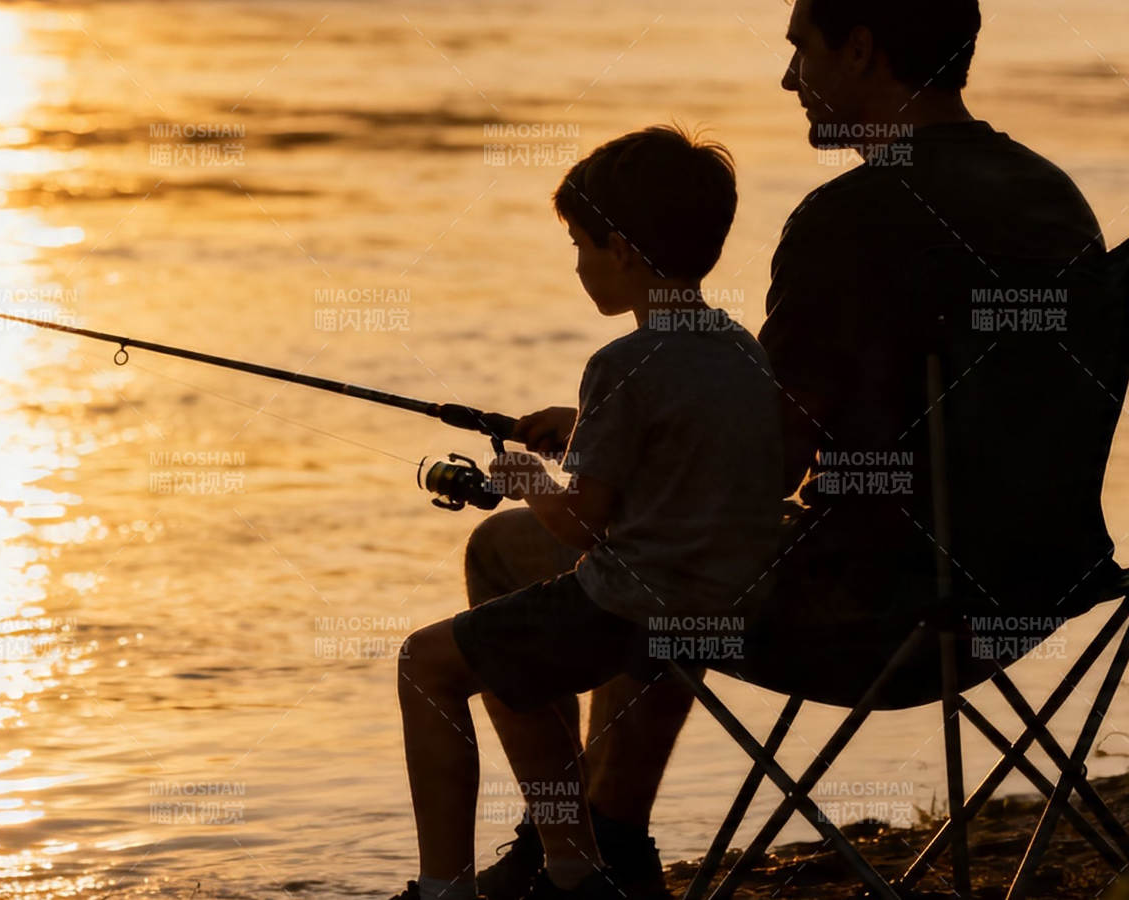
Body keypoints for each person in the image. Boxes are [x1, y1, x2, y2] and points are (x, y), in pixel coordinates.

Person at [469, 1, 1119, 898]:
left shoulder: (848, 220)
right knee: (675, 523)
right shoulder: (1056, 199)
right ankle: (601, 842)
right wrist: (619, 430)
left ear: (861, 48)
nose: (787, 80)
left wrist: (606, 453)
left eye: (800, 52)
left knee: (519, 548)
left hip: (870, 614)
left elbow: (763, 464)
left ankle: (586, 853)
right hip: (1034, 593)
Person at [391, 125, 785, 900]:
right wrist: (582, 435)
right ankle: (576, 873)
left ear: (625, 251)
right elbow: (693, 456)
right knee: (508, 659)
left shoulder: (620, 364)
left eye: (581, 244)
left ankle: (445, 888)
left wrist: (526, 479)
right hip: (728, 598)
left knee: (426, 664)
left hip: (632, 605)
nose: (577, 263)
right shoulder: (739, 347)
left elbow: (582, 527)